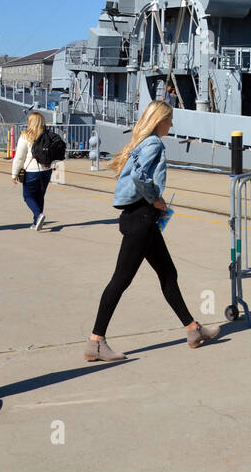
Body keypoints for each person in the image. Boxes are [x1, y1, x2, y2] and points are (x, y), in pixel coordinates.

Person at [84, 101, 218, 362]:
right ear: (159, 121)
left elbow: (133, 174)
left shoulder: (140, 143)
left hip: (137, 218)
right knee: (120, 281)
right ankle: (95, 341)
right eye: (169, 120)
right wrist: (156, 199)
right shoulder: (155, 143)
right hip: (141, 219)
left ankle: (193, 330)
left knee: (168, 273)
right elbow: (141, 178)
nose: (171, 124)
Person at [11, 111, 54, 230]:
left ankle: (38, 215)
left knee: (28, 196)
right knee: (40, 196)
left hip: (31, 170)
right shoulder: (48, 135)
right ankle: (36, 222)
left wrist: (14, 174)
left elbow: (19, 157)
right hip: (46, 170)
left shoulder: (25, 136)